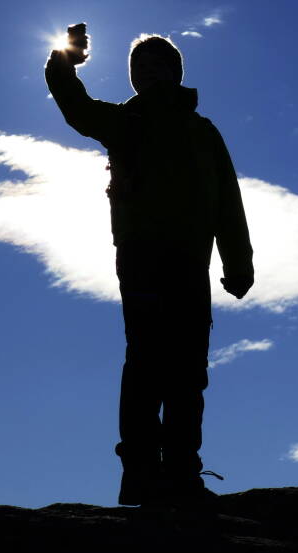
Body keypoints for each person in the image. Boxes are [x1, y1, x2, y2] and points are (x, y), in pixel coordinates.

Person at [45, 26, 254, 507]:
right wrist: (62, 60)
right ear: (135, 79)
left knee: (188, 371)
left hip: (190, 265)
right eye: (143, 68)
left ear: (177, 74)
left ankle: (182, 472)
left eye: (162, 66)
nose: (153, 72)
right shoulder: (125, 122)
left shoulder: (205, 133)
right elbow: (76, 107)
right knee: (145, 363)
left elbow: (228, 201)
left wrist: (238, 264)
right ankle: (139, 472)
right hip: (139, 260)